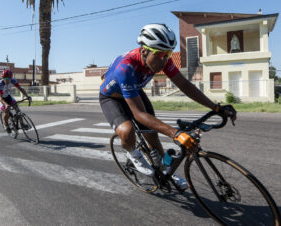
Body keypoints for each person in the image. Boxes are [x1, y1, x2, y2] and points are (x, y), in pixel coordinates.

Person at [99, 24, 236, 190]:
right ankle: (133, 154)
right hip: (111, 97)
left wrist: (215, 107)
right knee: (127, 131)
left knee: (152, 136)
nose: (165, 60)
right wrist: (175, 134)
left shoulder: (161, 60)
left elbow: (184, 84)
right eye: (161, 55)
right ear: (144, 51)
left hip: (133, 91)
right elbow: (139, 113)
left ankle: (165, 171)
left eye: (168, 54)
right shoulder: (126, 68)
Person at [0, 69, 31, 134]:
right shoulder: (0, 84)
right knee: (6, 110)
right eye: (5, 78)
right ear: (3, 78)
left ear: (11, 78)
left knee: (16, 107)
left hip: (7, 96)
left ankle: (22, 124)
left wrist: (27, 96)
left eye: (9, 78)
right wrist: (5, 104)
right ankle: (6, 125)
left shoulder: (13, 80)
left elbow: (20, 89)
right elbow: (0, 97)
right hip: (0, 98)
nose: (7, 80)